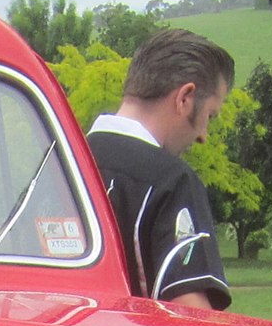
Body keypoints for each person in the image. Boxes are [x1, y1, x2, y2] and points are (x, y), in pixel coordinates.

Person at [85, 30, 236, 310]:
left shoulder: (56, 164)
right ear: (185, 98)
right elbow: (189, 310)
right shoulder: (172, 180)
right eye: (210, 116)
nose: (204, 135)